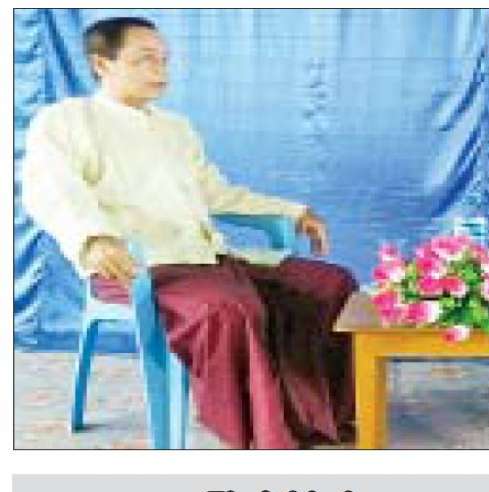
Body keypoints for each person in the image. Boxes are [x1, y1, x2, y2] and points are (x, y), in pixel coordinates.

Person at [21, 16, 357, 449]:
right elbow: (52, 188)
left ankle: (319, 418)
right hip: (137, 269)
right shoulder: (66, 121)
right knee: (228, 310)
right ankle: (264, 432)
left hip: (206, 259)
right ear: (102, 64)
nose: (160, 70)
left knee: (330, 284)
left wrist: (292, 211)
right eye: (145, 59)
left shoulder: (175, 128)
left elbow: (216, 193)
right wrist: (94, 238)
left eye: (164, 60)